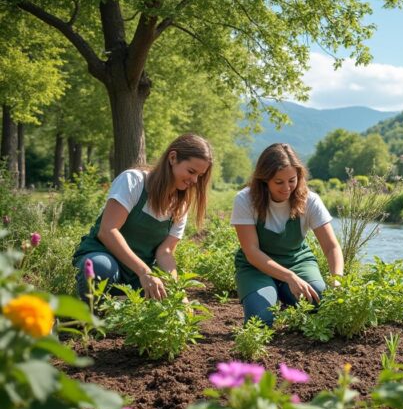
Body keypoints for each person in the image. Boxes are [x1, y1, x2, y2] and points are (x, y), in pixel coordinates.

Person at [72, 134, 213, 301]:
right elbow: (108, 230)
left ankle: (117, 304)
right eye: (191, 171)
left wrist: (176, 289)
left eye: (200, 175)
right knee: (100, 268)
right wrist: (145, 272)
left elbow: (165, 252)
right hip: (106, 257)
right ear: (173, 158)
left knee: (166, 295)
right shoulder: (134, 181)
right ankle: (95, 311)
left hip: (138, 272)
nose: (195, 180)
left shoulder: (181, 204)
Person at [231, 143, 343, 325]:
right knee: (260, 319)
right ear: (264, 179)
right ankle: (275, 290)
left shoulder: (310, 201)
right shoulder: (245, 199)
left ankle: (284, 292)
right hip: (255, 268)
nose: (287, 188)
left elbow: (331, 247)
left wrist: (337, 280)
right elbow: (251, 252)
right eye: (278, 182)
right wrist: (290, 277)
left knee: (322, 306)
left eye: (292, 180)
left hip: (297, 262)